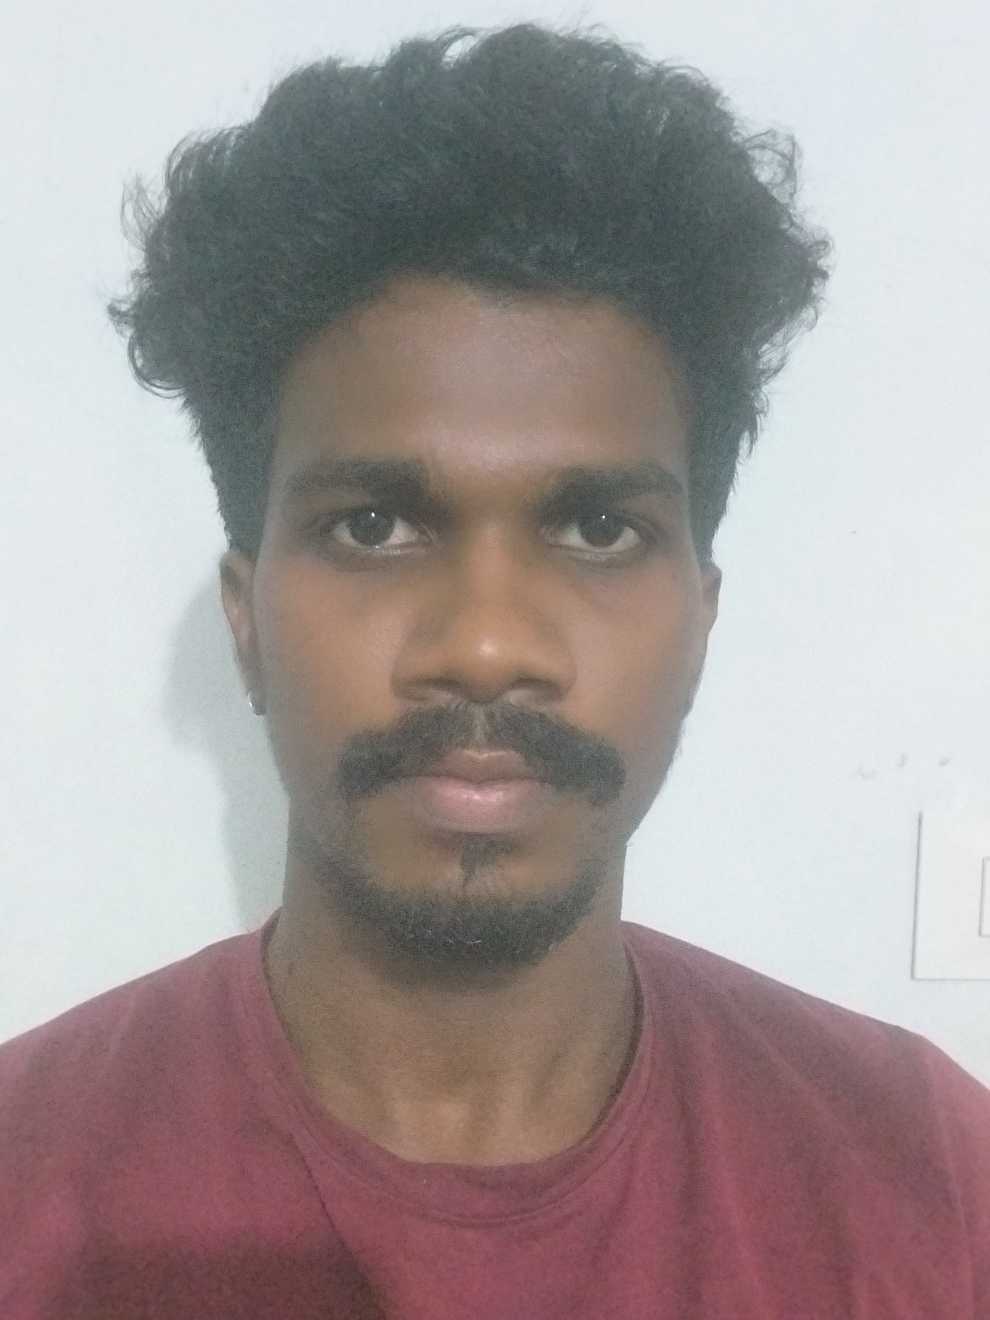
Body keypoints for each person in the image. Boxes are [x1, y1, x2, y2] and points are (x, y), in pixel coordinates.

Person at [2, 20, 987, 1318]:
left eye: (598, 530)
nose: (484, 645)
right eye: (372, 526)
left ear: (698, 622)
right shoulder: (27, 1190)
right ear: (246, 619)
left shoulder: (931, 1181)